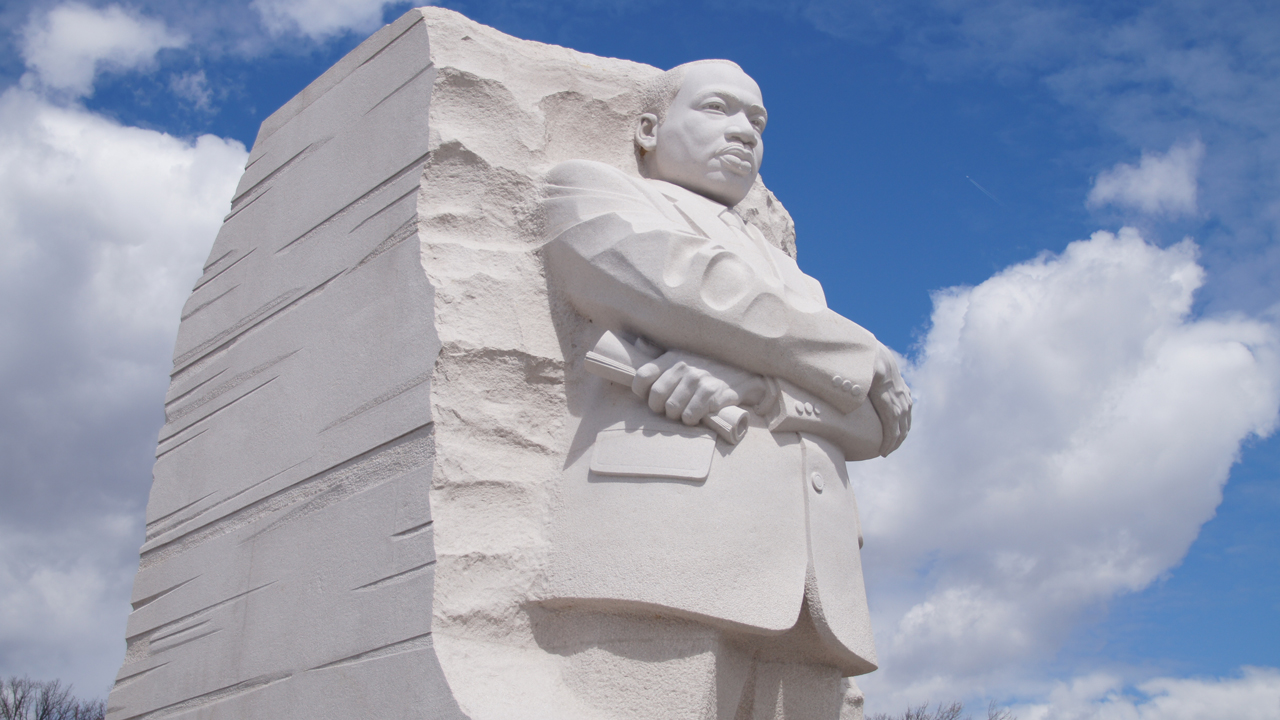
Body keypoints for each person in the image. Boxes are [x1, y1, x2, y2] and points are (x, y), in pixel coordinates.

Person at [538, 59, 912, 720]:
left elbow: (881, 424)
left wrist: (761, 386)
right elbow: (688, 287)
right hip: (669, 547)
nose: (744, 132)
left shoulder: (797, 281)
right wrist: (859, 351)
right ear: (649, 128)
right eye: (717, 109)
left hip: (816, 586)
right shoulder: (592, 191)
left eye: (757, 120)